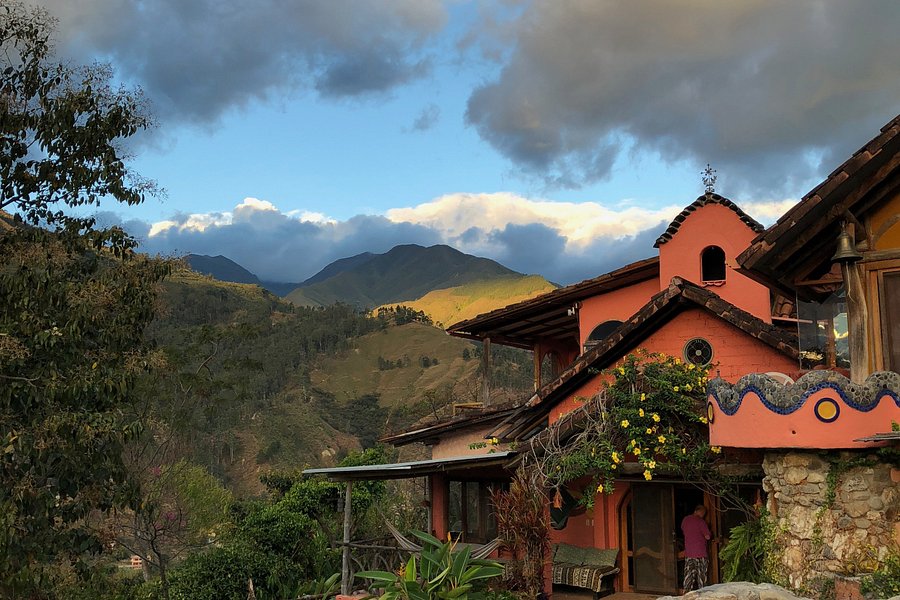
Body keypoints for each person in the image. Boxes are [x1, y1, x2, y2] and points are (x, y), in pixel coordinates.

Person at [681, 504, 712, 591]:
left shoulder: (685, 520)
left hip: (689, 553)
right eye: (703, 513)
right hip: (700, 553)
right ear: (699, 511)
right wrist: (710, 532)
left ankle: (686, 594)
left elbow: (683, 530)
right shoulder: (701, 522)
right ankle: (703, 594)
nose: (703, 515)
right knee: (701, 577)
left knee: (688, 576)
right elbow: (707, 537)